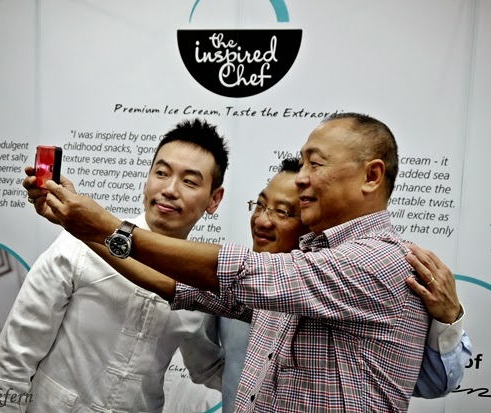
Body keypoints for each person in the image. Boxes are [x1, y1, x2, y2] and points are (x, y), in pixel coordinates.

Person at [27, 112, 466, 412]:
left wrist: (106, 225)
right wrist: (80, 226)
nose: (302, 178)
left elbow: (237, 271)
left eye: (315, 164)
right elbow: (175, 286)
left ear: (371, 176)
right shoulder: (310, 258)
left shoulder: (380, 260)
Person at [0, 118, 229, 413]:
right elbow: (18, 347)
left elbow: (207, 366)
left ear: (214, 199)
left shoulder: (202, 277)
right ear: (147, 179)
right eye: (161, 173)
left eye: (189, 181)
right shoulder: (81, 241)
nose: (170, 189)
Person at [217, 157, 471, 412]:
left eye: (283, 211)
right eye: (260, 205)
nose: (261, 221)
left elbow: (434, 382)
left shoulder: (373, 273)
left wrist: (449, 319)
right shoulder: (245, 274)